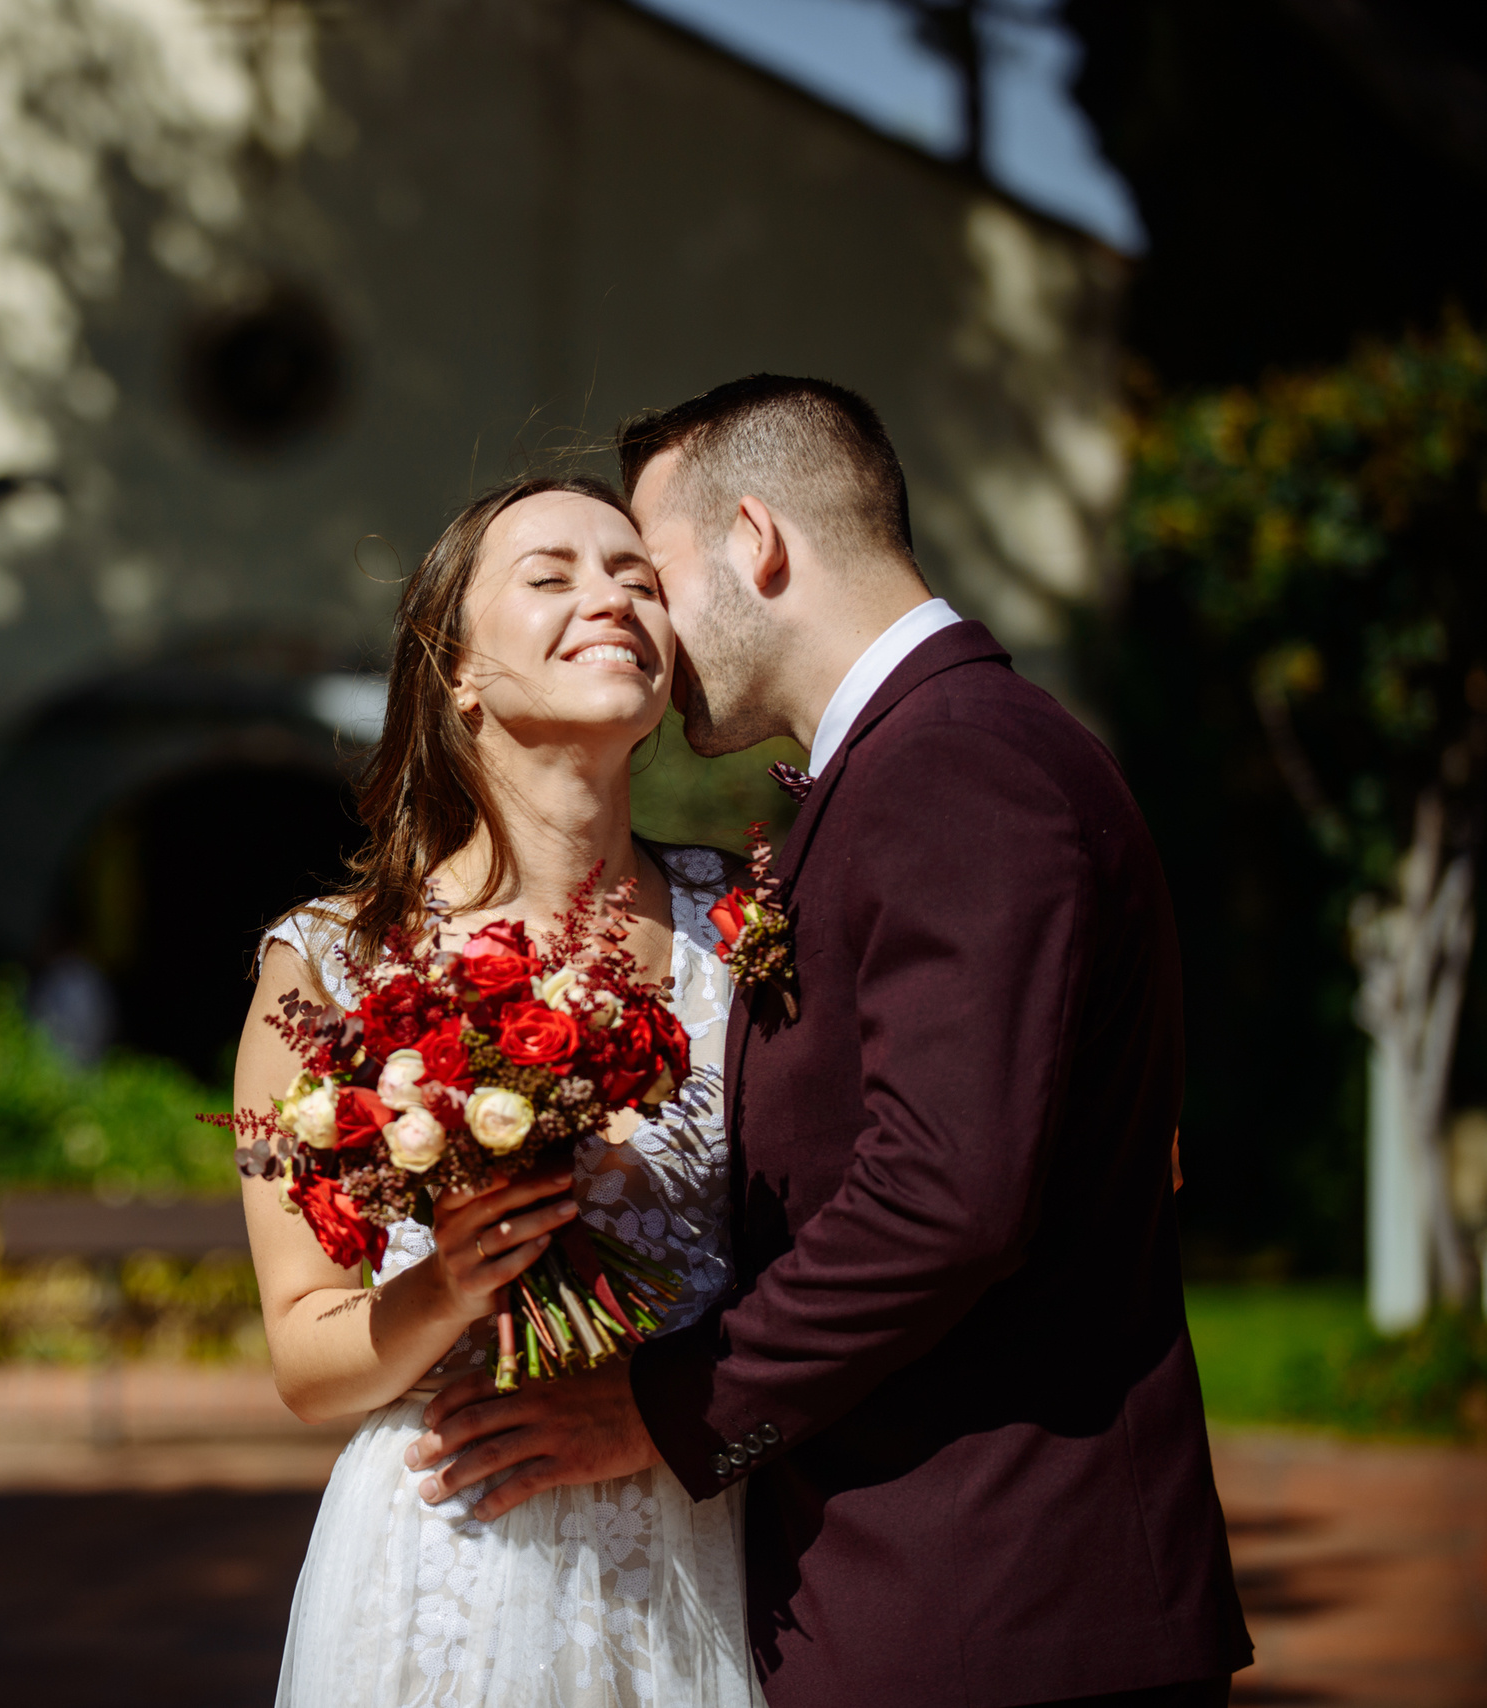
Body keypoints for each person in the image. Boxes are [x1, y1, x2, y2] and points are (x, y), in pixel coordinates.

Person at [407, 377, 1255, 1706]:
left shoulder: (954, 764)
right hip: (939, 1597)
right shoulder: (932, 759)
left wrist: (663, 1410)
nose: (645, 624)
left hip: (993, 1606)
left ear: (757, 543)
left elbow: (947, 1196)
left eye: (654, 569)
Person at [238, 473, 760, 1705]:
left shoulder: (748, 932)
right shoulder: (325, 968)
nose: (612, 598)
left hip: (708, 1530)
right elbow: (306, 1360)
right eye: (553, 575)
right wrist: (448, 1281)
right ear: (455, 670)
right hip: (454, 1545)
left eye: (637, 576)